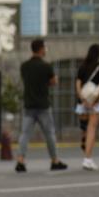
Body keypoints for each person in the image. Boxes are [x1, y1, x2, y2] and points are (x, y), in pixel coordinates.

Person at [15, 38, 66, 173]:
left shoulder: (24, 66)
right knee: (49, 134)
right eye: (45, 48)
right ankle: (54, 160)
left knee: (25, 134)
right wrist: (47, 82)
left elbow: (26, 80)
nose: (46, 50)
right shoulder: (46, 66)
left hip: (29, 105)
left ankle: (20, 160)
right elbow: (53, 81)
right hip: (43, 106)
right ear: (41, 49)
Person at [75, 44, 99, 171]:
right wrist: (95, 101)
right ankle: (87, 159)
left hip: (82, 103)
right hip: (95, 103)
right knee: (92, 130)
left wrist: (83, 99)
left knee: (84, 128)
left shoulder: (82, 67)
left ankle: (84, 142)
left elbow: (78, 84)